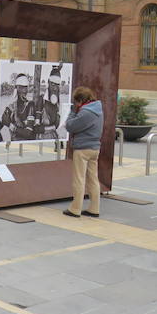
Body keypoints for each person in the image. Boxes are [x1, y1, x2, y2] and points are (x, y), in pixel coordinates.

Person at [62, 86, 103, 218]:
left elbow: (70, 126)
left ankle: (75, 208)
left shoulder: (86, 112)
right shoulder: (98, 109)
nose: (75, 105)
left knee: (79, 179)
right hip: (94, 148)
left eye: (76, 102)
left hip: (83, 149)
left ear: (80, 100)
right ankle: (94, 208)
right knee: (93, 179)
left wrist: (73, 112)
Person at [0, 73, 35, 141]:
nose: (24, 90)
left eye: (26, 87)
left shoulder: (30, 105)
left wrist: (10, 125)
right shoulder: (10, 108)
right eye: (21, 87)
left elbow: (28, 133)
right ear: (16, 88)